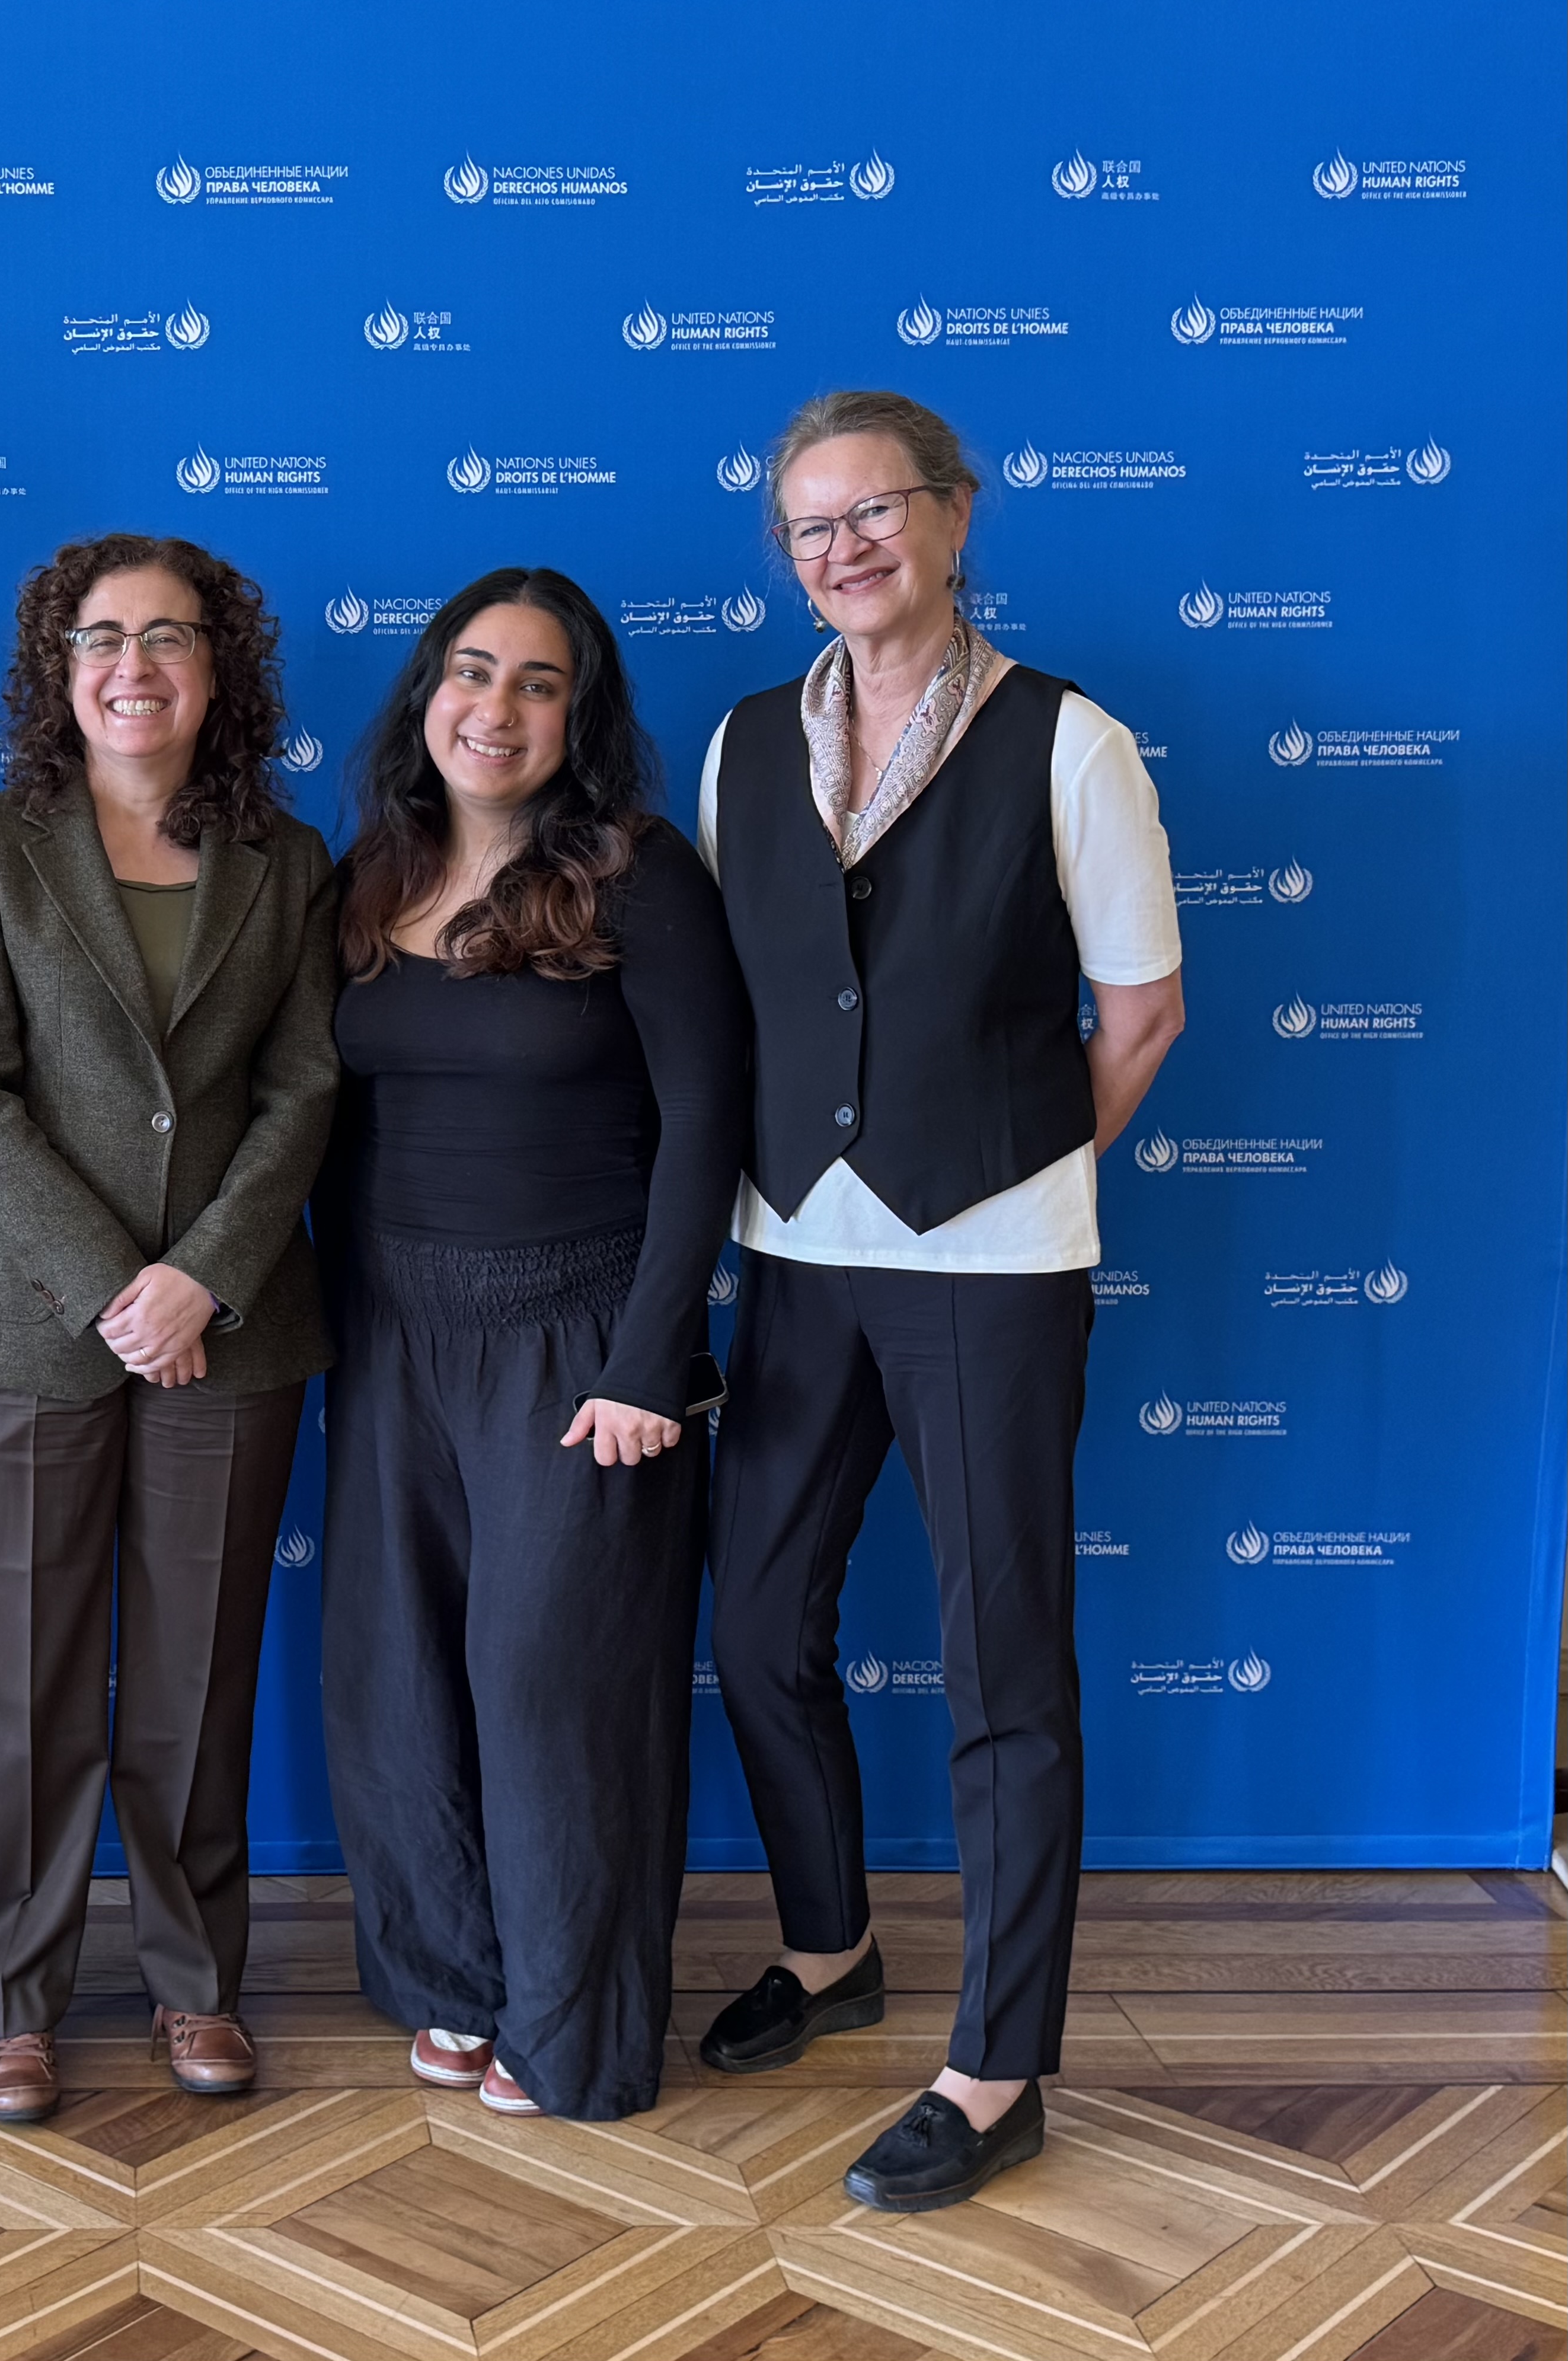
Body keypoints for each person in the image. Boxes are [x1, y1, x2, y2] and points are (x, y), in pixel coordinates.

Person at [697, 390, 1184, 2210]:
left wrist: (1017, 1166)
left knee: (1003, 1669)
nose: (844, 548)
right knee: (758, 1622)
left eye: (874, 511)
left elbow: (1139, 1013)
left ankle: (995, 2068)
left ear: (954, 516)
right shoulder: (743, 744)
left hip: (987, 1266)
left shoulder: (1070, 742)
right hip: (792, 1252)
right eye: (810, 526)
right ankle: (829, 1950)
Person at [0, 532, 338, 2124]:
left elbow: (303, 1091)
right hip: (22, 1322)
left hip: (229, 1327)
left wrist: (200, 1275)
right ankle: (12, 2003)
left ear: (219, 672)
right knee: (19, 1681)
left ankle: (194, 1983)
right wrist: (113, 1282)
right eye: (102, 637)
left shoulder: (287, 860)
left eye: (169, 637)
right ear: (59, 667)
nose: (133, 666)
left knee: (195, 1676)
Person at [318, 568, 741, 2121]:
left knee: (556, 1692)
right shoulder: (365, 880)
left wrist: (652, 1360)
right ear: (427, 693)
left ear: (580, 718)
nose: (494, 708)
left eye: (537, 683)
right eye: (471, 671)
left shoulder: (638, 876)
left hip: (581, 1334)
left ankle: (573, 2027)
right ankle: (455, 1982)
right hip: (388, 1331)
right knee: (399, 1681)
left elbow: (707, 1126)